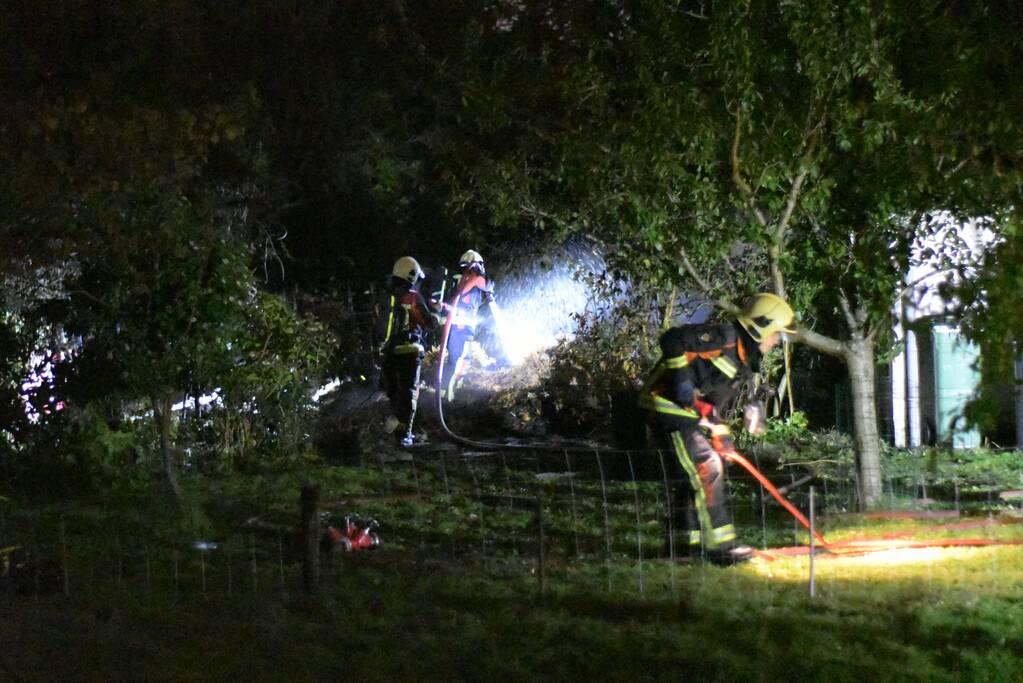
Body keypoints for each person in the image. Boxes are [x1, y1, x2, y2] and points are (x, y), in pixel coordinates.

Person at [640, 293, 796, 565]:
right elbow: (672, 340)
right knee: (707, 467)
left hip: (688, 412)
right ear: (760, 326)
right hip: (664, 405)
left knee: (694, 476)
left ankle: (683, 549)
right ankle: (722, 546)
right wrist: (682, 381)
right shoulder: (722, 338)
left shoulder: (744, 361)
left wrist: (723, 433)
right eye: (776, 334)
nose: (776, 341)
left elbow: (711, 404)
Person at [374, 256, 437, 447]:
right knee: (409, 394)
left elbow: (377, 325)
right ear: (412, 275)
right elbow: (429, 324)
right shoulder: (413, 297)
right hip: (410, 352)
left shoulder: (385, 297)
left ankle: (395, 433)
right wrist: (434, 313)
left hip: (389, 353)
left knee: (394, 391)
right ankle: (405, 435)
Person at [440, 249, 495, 402]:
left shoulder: (463, 279)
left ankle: (451, 393)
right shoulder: (473, 278)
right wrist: (489, 290)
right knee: (459, 360)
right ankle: (447, 396)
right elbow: (488, 284)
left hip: (459, 327)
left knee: (461, 360)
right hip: (461, 328)